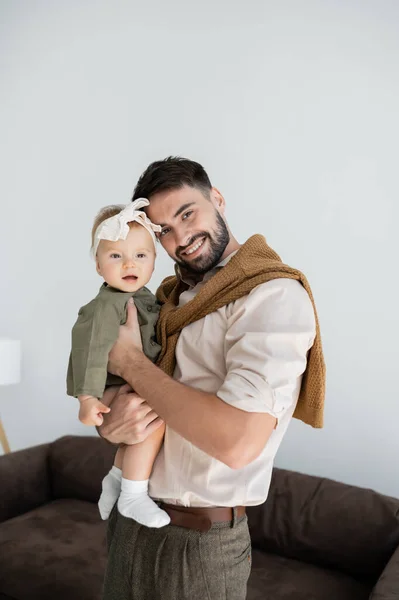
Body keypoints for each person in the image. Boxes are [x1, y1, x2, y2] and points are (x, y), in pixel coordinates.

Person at [98, 157, 326, 600]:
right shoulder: (169, 301)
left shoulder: (272, 295)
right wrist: (111, 420)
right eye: (163, 229)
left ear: (216, 198)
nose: (180, 238)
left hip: (198, 545)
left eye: (187, 214)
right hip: (131, 522)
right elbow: (119, 410)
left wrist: (131, 365)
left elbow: (237, 443)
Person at [66, 199, 171, 528]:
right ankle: (133, 495)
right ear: (98, 266)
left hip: (134, 382)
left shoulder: (149, 299)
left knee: (146, 427)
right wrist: (87, 398)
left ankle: (115, 477)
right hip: (112, 387)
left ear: (155, 260)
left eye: (141, 255)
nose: (130, 264)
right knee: (154, 424)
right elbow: (91, 349)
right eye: (116, 256)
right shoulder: (105, 306)